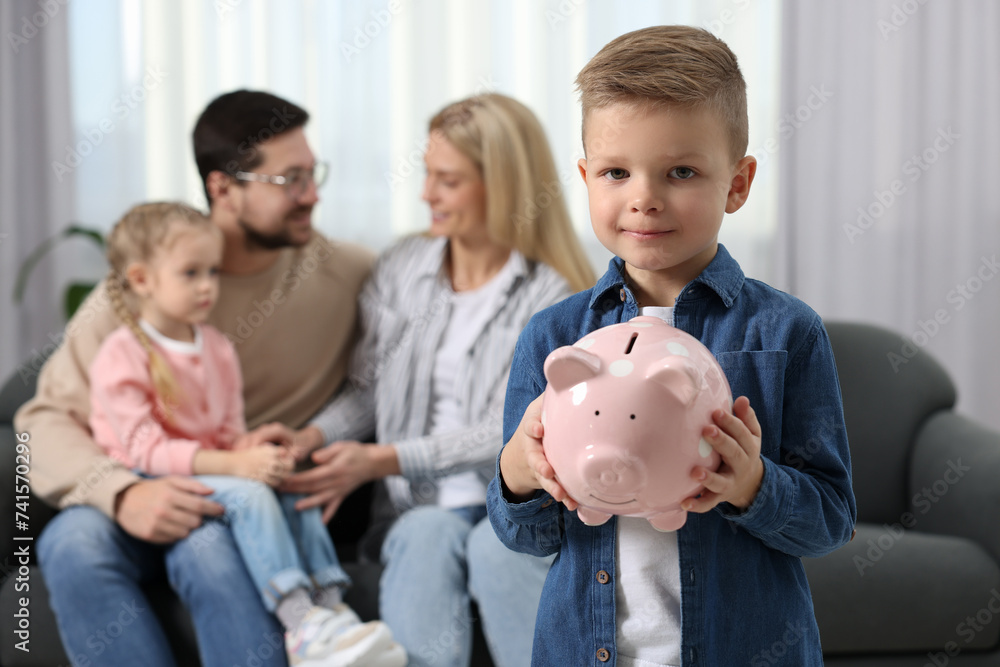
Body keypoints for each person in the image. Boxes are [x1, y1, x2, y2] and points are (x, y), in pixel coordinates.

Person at [488, 25, 856, 667]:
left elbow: (830, 520)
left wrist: (754, 484)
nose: (644, 198)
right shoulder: (553, 337)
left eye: (680, 171)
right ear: (585, 178)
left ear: (737, 184)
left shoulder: (787, 333)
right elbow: (525, 536)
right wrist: (520, 476)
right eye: (615, 172)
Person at [16, 90, 374, 667]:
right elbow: (40, 420)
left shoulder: (349, 273)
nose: (313, 195)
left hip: (239, 494)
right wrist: (123, 492)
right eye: (290, 181)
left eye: (314, 174)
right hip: (143, 479)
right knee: (71, 541)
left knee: (205, 545)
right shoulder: (139, 296)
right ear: (223, 188)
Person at [280, 92, 596, 667]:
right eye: (427, 174)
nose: (426, 193)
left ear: (501, 186)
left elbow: (517, 428)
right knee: (426, 532)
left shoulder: (556, 297)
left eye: (446, 180)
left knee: (496, 548)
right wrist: (312, 438)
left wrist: (387, 459)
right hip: (414, 512)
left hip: (520, 506)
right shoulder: (402, 268)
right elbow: (367, 391)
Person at [87, 201, 405, 667]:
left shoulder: (215, 347)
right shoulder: (122, 353)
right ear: (141, 280)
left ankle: (330, 611)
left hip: (211, 468)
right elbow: (146, 450)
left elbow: (227, 432)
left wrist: (251, 450)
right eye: (191, 273)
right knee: (251, 496)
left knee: (291, 489)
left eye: (212, 272)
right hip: (151, 476)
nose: (207, 286)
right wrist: (234, 465)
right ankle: (300, 624)